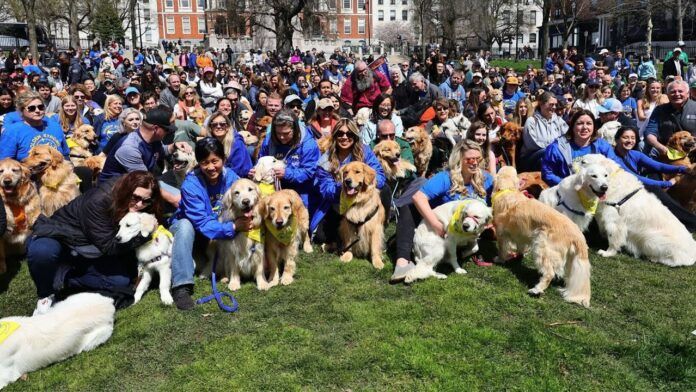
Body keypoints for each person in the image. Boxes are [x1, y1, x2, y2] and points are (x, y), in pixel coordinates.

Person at [27, 171, 162, 313]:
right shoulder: (98, 200)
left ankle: (66, 277)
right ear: (127, 190)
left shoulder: (137, 200)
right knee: (42, 251)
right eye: (135, 197)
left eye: (146, 200)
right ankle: (45, 295)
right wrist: (146, 236)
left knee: (120, 282)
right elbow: (109, 247)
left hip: (89, 245)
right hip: (61, 235)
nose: (140, 204)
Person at [391, 140, 495, 283]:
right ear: (459, 159)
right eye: (470, 159)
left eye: (478, 159)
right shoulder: (446, 177)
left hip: (466, 234)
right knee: (408, 208)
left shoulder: (486, 179)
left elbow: (498, 202)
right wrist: (436, 225)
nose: (475, 163)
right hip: (442, 231)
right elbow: (418, 197)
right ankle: (402, 261)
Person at [168, 138, 250, 310]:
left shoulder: (232, 178)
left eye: (215, 161)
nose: (211, 167)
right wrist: (233, 227)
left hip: (219, 232)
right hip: (194, 231)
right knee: (184, 225)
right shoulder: (191, 185)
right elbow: (202, 222)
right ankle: (181, 287)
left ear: (223, 160)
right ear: (199, 163)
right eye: (205, 163)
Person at [311, 118, 386, 242]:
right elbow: (326, 190)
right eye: (340, 134)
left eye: (349, 134)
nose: (344, 137)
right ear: (334, 136)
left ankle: (379, 224)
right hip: (338, 204)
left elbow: (380, 176)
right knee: (321, 237)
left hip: (365, 201)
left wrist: (366, 183)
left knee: (385, 190)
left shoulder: (365, 151)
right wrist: (344, 187)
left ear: (355, 136)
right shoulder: (325, 160)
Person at [612, 126, 696, 232]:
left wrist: (682, 169)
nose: (630, 141)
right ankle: (692, 221)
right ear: (617, 139)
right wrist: (666, 184)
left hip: (637, 186)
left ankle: (676, 217)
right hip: (625, 191)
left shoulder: (634, 154)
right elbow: (635, 177)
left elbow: (659, 166)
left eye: (632, 138)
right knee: (656, 189)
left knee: (654, 172)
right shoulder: (613, 157)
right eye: (625, 137)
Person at [542, 110, 624, 186]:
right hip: (568, 192)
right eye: (580, 123)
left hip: (598, 189)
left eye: (589, 123)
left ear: (594, 127)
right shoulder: (556, 148)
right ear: (572, 126)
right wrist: (568, 185)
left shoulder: (602, 145)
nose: (585, 127)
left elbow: (615, 168)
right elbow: (547, 174)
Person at [256, 109, 320, 206]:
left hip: (301, 191)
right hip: (272, 190)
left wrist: (286, 173)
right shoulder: (269, 141)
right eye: (278, 133)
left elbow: (309, 172)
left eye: (286, 133)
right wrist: (256, 171)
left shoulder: (308, 144)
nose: (281, 137)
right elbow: (262, 160)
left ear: (295, 129)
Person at [0, 91, 69, 161]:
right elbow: (5, 161)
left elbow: (65, 155)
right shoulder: (12, 131)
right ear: (21, 110)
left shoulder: (55, 126)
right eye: (31, 108)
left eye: (41, 107)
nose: (37, 110)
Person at [644, 80, 696, 156]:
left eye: (680, 91)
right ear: (667, 94)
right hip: (665, 148)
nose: (677, 94)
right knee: (642, 145)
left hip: (692, 148)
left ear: (688, 94)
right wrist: (660, 147)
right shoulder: (659, 110)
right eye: (673, 92)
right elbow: (650, 132)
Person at [207, 110, 252, 177]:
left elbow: (237, 170)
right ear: (210, 128)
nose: (218, 127)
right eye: (214, 124)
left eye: (222, 124)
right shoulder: (209, 143)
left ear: (228, 127)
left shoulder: (237, 143)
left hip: (238, 179)